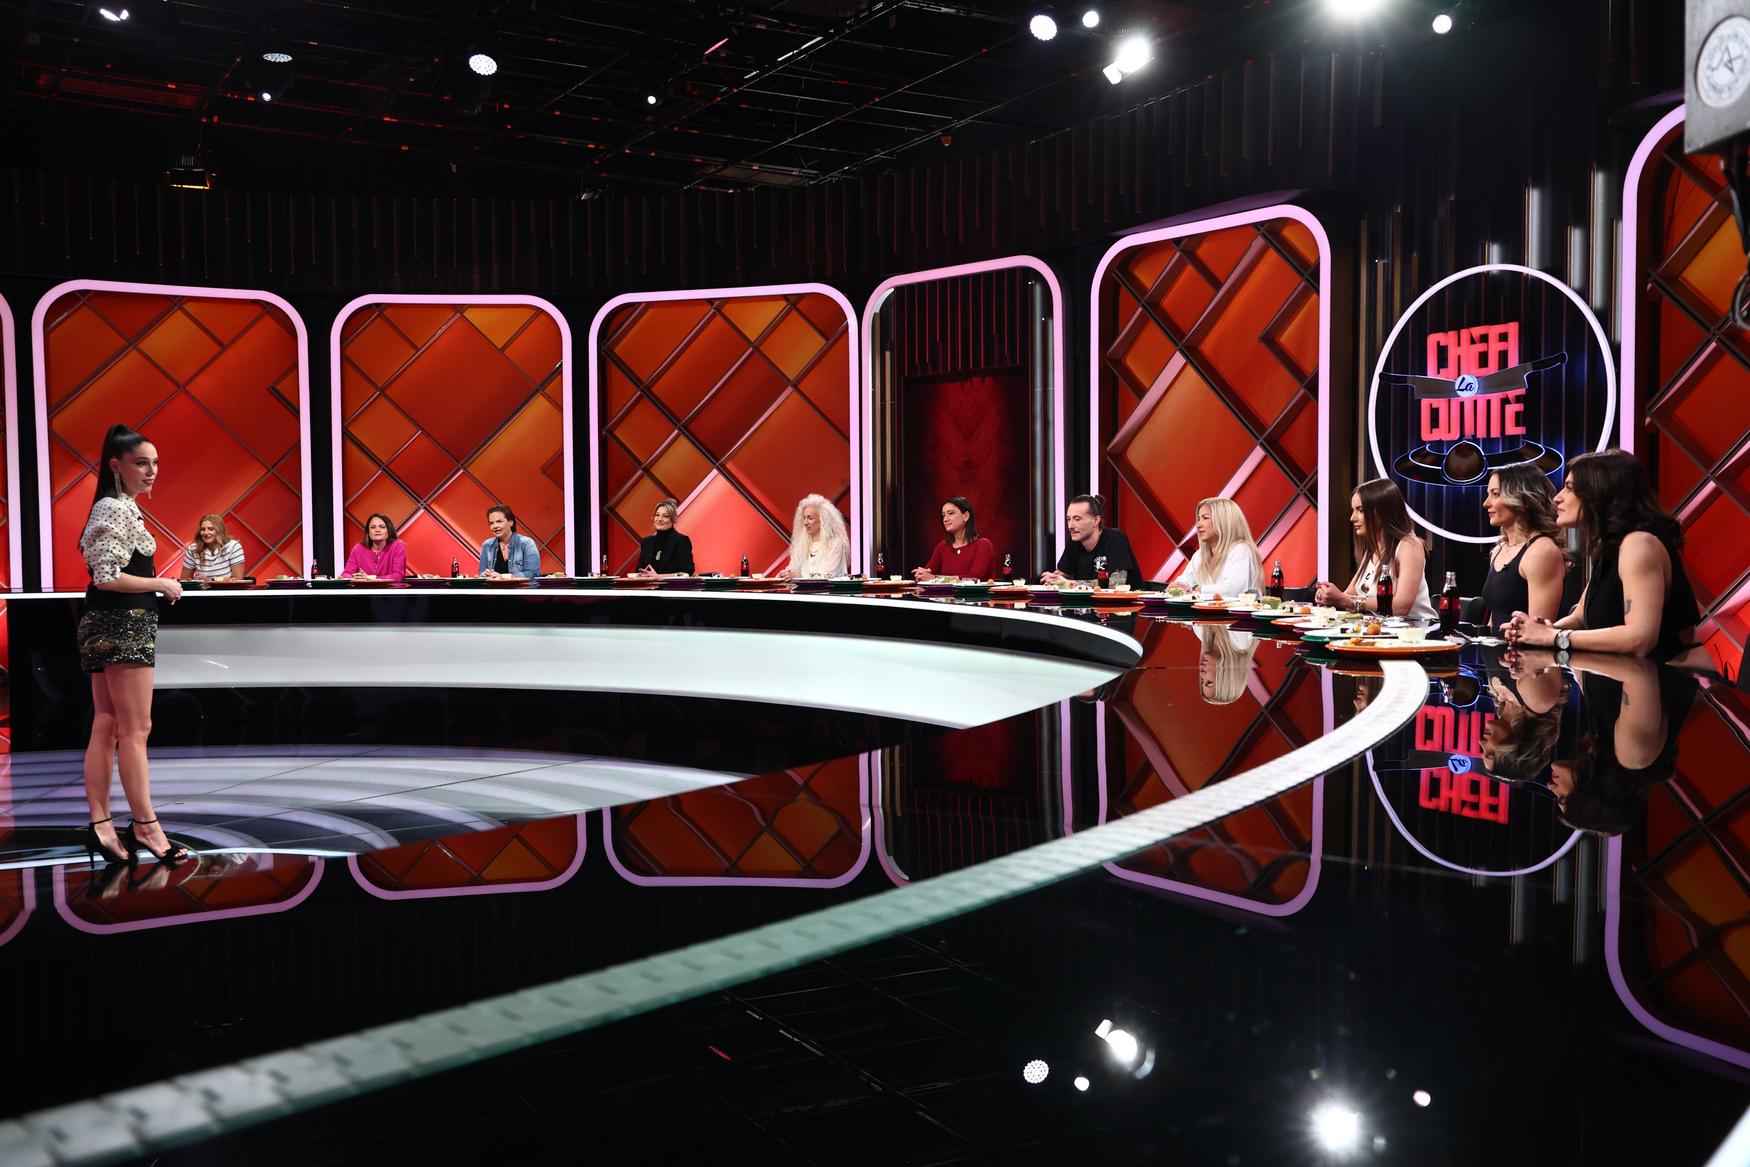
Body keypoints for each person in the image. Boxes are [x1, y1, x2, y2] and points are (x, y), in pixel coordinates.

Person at [77, 423, 189, 867]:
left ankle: (102, 825)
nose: (151, 470)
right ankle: (146, 826)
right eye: (142, 463)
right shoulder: (114, 507)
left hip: (109, 621)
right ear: (116, 466)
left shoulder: (119, 506)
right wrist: (162, 583)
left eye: (155, 462)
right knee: (135, 730)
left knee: (107, 724)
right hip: (123, 624)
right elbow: (107, 577)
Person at [1502, 450, 1700, 661]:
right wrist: (1537, 631)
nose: (1558, 498)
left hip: (1668, 677)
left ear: (1599, 493)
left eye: (1569, 488)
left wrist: (1553, 637)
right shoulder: (1610, 546)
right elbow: (1580, 616)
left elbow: (1640, 639)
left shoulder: (1638, 544)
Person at [1314, 478, 1436, 621]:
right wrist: (1328, 596)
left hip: (1415, 631)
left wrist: (1343, 599)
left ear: (1382, 511)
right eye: (1353, 510)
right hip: (1379, 630)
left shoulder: (1410, 546)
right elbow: (1348, 598)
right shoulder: (1372, 550)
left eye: (1360, 510)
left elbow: (1401, 607)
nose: (1352, 518)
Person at [1480, 465, 1568, 626]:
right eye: (1488, 494)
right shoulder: (1499, 550)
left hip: (1526, 644)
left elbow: (1539, 630)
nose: (1486, 503)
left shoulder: (1541, 551)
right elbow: (1494, 619)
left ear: (1523, 500)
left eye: (1496, 494)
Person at [1041, 494, 1143, 584]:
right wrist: (1054, 578)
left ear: (1096, 520)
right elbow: (1062, 573)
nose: (1070, 526)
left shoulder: (1115, 538)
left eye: (1077, 519)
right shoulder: (1075, 541)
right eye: (1068, 519)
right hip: (1087, 600)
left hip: (1128, 600)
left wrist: (1073, 584)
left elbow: (1116, 584)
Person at [1171, 497, 1261, 595]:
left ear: (1223, 521)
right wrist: (1175, 588)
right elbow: (1181, 584)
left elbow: (1233, 590)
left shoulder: (1241, 550)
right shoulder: (1199, 555)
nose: (1198, 525)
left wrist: (1197, 589)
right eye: (1198, 519)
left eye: (1205, 518)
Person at [913, 496, 995, 581]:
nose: (945, 519)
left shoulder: (983, 545)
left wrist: (935, 578)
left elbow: (973, 578)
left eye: (951, 513)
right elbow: (927, 573)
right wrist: (921, 574)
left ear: (966, 516)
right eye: (943, 515)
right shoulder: (943, 546)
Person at [779, 493, 849, 578]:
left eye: (810, 518)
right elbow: (794, 569)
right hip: (804, 587)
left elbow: (828, 576)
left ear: (823, 520)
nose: (805, 522)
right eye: (804, 518)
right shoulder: (803, 542)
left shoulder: (835, 543)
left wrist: (799, 577)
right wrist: (785, 574)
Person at [1196, 625, 1259, 705]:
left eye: (1202, 680)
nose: (1202, 674)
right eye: (1209, 682)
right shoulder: (1241, 643)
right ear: (1226, 677)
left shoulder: (1201, 634)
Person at [477, 503, 541, 579]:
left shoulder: (526, 543)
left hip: (520, 586)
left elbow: (533, 573)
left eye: (499, 521)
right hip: (494, 587)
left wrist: (503, 577)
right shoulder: (487, 545)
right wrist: (485, 574)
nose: (495, 526)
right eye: (491, 523)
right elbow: (481, 574)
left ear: (511, 522)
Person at [343, 512, 409, 583]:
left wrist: (370, 578)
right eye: (373, 527)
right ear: (368, 532)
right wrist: (357, 576)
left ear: (389, 530)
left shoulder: (397, 546)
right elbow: (346, 574)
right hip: (365, 589)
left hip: (390, 589)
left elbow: (398, 576)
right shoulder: (358, 549)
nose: (377, 530)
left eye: (382, 527)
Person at [636, 498, 695, 576]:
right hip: (648, 584)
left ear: (673, 519)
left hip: (670, 584)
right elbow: (638, 571)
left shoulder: (681, 540)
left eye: (665, 516)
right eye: (657, 515)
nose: (659, 519)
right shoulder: (646, 542)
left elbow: (687, 573)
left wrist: (658, 577)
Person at [178, 513, 246, 581]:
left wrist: (210, 580)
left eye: (210, 529)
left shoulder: (233, 546)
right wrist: (196, 581)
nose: (205, 533)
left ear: (219, 530)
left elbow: (237, 579)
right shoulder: (192, 549)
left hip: (227, 588)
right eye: (203, 529)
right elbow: (184, 579)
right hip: (202, 588)